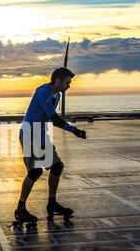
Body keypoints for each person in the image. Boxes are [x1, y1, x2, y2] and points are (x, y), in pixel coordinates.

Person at [14, 67, 87, 228]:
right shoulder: (43, 92)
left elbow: (51, 117)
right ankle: (20, 209)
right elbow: (54, 118)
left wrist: (73, 130)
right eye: (67, 82)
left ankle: (52, 203)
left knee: (57, 166)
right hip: (28, 135)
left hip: (40, 136)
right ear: (58, 81)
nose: (69, 86)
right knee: (35, 171)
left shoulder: (57, 95)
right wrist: (74, 130)